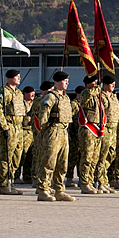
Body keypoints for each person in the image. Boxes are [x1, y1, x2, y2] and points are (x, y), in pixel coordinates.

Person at [36, 71, 76, 202]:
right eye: (65, 81)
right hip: (53, 130)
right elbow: (43, 115)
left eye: (67, 81)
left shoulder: (65, 97)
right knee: (49, 162)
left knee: (62, 163)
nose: (67, 83)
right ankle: (43, 190)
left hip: (64, 131)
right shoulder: (51, 96)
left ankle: (59, 190)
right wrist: (45, 131)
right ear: (57, 82)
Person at [0, 69, 25, 195]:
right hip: (9, 127)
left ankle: (11, 182)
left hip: (19, 128)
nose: (19, 78)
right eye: (17, 76)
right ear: (10, 78)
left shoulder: (18, 93)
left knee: (16, 157)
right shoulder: (3, 92)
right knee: (6, 157)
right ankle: (4, 184)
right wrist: (4, 127)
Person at [77, 74, 102, 194]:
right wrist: (96, 88)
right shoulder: (85, 93)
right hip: (88, 128)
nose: (95, 85)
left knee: (94, 158)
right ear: (87, 84)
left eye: (96, 82)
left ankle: (90, 181)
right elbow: (86, 97)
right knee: (87, 156)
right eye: (93, 83)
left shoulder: (97, 96)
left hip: (96, 128)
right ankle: (84, 183)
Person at [96, 75, 119, 193]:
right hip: (105, 129)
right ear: (105, 85)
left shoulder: (114, 97)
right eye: (111, 84)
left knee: (111, 155)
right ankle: (100, 182)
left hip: (114, 129)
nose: (113, 86)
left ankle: (104, 180)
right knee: (102, 156)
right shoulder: (101, 97)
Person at [65, 85, 84, 188]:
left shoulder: (85, 104)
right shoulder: (74, 105)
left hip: (82, 135)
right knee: (72, 157)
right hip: (74, 134)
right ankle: (69, 178)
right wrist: (69, 134)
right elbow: (69, 119)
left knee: (82, 157)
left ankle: (82, 178)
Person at [17, 85, 35, 184]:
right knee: (21, 155)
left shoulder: (34, 104)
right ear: (25, 94)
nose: (32, 94)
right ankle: (16, 176)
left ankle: (27, 176)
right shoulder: (21, 104)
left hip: (32, 133)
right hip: (23, 132)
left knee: (30, 156)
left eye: (33, 92)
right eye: (30, 92)